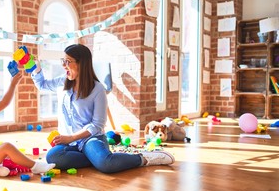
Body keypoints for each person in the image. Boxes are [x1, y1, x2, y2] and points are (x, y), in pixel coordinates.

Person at [31, 44, 175, 174]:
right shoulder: (62, 82)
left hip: (90, 139)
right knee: (53, 157)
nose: (63, 65)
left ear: (81, 64)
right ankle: (95, 159)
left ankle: (143, 158)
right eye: (63, 61)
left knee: (106, 164)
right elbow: (42, 85)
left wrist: (72, 137)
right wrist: (35, 67)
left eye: (67, 61)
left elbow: (97, 124)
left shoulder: (97, 89)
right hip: (70, 143)